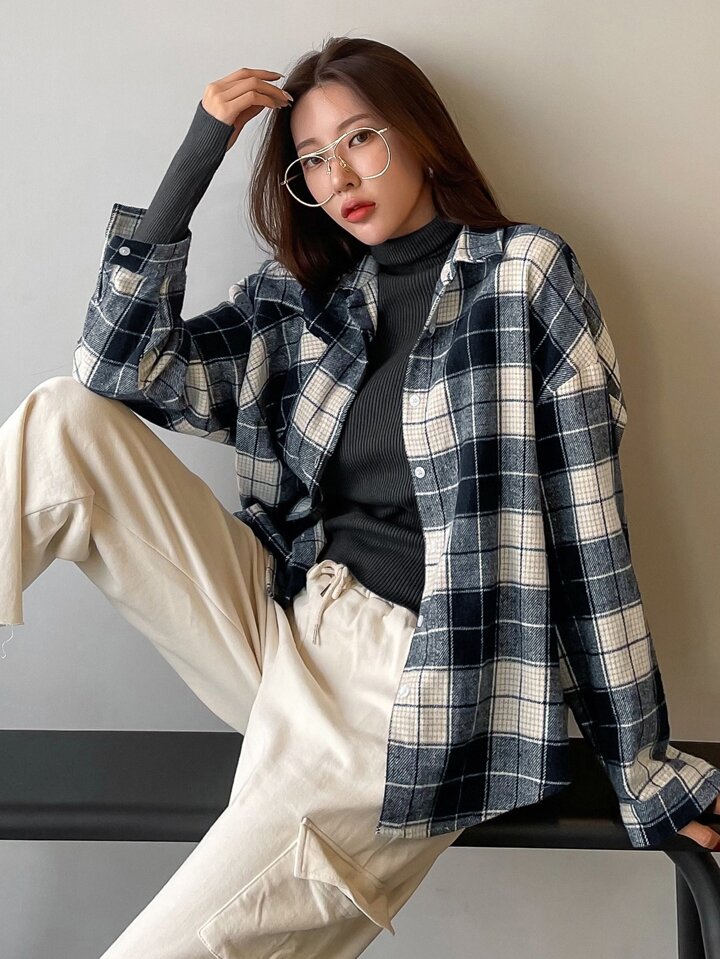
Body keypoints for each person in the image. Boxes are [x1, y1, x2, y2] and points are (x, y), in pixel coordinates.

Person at [1, 33, 719, 958]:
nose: (339, 176)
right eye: (311, 160)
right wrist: (198, 153)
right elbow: (115, 368)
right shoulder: (306, 300)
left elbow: (590, 538)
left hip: (409, 688)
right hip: (285, 619)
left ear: (421, 134)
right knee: (63, 419)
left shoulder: (525, 276)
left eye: (361, 139)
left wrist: (641, 764)